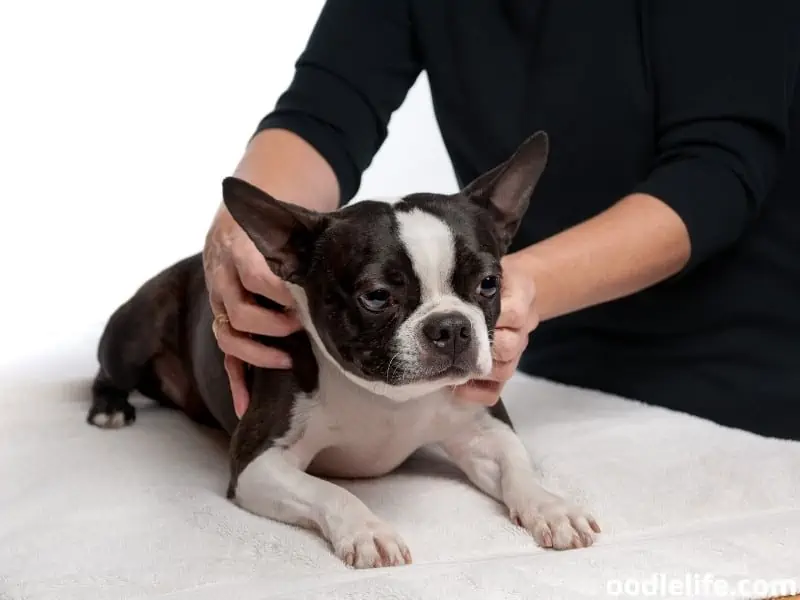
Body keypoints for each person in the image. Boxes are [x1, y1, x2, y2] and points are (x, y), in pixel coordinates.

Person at [202, 0, 800, 440]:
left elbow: (716, 174)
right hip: (529, 363)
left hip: (744, 373)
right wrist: (245, 232)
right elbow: (323, 114)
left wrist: (521, 286)